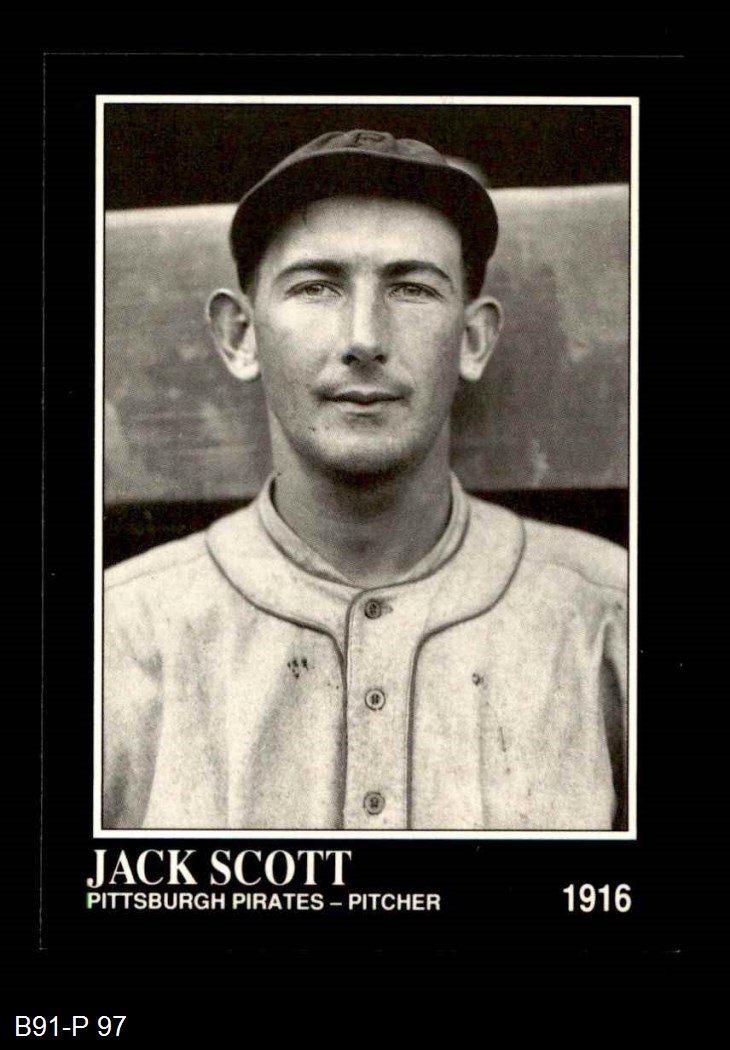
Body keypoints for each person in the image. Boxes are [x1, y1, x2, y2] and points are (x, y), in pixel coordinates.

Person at [103, 129, 627, 832]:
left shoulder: (610, 616)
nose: (364, 338)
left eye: (412, 288)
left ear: (473, 340)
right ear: (241, 335)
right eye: (316, 286)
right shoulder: (118, 634)